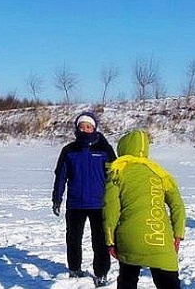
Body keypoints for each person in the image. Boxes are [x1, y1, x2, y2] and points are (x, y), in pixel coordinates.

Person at [103, 129, 186, 289]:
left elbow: (110, 209)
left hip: (129, 238)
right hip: (160, 238)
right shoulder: (161, 174)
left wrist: (109, 240)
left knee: (127, 280)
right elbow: (178, 206)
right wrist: (178, 234)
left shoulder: (117, 171)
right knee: (169, 283)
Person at [52, 112, 117, 287]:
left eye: (88, 127)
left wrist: (118, 200)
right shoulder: (69, 150)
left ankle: (101, 273)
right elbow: (60, 176)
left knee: (101, 241)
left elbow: (115, 177)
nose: (85, 130)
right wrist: (57, 198)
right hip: (75, 204)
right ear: (77, 129)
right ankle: (74, 269)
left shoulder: (104, 150)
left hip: (99, 204)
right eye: (81, 127)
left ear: (94, 128)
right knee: (73, 239)